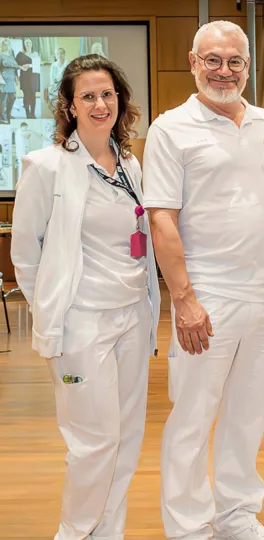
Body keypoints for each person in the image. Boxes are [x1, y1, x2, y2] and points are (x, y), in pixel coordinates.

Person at [143, 20, 264, 540]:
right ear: (194, 63)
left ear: (247, 65)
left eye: (234, 61)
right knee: (193, 418)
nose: (224, 71)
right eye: (212, 60)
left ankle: (238, 516)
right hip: (207, 294)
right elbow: (161, 219)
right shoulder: (170, 128)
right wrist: (185, 300)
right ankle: (189, 526)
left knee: (247, 412)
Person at [11, 54, 161, 540]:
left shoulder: (131, 165)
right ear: (70, 106)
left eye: (108, 94)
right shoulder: (47, 166)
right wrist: (51, 313)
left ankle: (107, 532)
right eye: (88, 96)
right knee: (93, 442)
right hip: (82, 323)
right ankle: (73, 533)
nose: (100, 104)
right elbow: (25, 254)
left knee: (126, 437)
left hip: (133, 316)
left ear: (120, 100)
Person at [16, 38, 41, 118]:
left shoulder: (35, 54)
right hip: (24, 77)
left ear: (32, 44)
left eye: (29, 42)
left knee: (33, 95)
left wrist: (30, 65)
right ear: (24, 44)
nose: (27, 44)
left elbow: (37, 65)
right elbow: (15, 65)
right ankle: (27, 114)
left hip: (34, 77)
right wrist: (22, 67)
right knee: (26, 95)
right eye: (26, 43)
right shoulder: (20, 54)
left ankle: (33, 113)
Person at [0, 39, 17, 123]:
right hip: (3, 79)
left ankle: (8, 114)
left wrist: (16, 78)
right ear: (2, 45)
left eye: (7, 44)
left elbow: (15, 66)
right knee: (3, 99)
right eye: (4, 45)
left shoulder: (11, 55)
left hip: (11, 79)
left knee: (13, 97)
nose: (6, 46)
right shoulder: (0, 55)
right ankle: (3, 118)